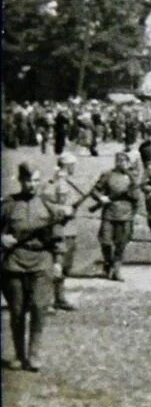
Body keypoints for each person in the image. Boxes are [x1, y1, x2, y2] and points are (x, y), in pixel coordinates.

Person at [2, 162, 67, 371]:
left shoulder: (49, 205)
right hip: (14, 263)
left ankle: (34, 353)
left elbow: (58, 238)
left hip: (42, 260)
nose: (32, 185)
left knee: (39, 307)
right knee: (17, 310)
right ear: (21, 181)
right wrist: (2, 239)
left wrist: (57, 263)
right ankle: (20, 355)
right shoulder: (9, 205)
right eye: (29, 180)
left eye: (37, 180)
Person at [91, 152, 141, 281]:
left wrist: (132, 193)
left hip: (126, 215)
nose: (122, 163)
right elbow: (95, 190)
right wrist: (101, 197)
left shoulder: (132, 177)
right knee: (106, 241)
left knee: (121, 244)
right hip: (109, 213)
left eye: (124, 161)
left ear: (128, 163)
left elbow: (137, 197)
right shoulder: (107, 175)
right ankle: (108, 263)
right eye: (119, 161)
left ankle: (116, 269)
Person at [42, 152, 81, 310]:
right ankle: (46, 301)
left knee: (65, 266)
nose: (74, 168)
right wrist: (63, 210)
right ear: (67, 165)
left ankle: (59, 298)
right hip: (59, 231)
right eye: (73, 165)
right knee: (55, 265)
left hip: (70, 230)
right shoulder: (57, 182)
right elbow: (45, 201)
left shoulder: (66, 181)